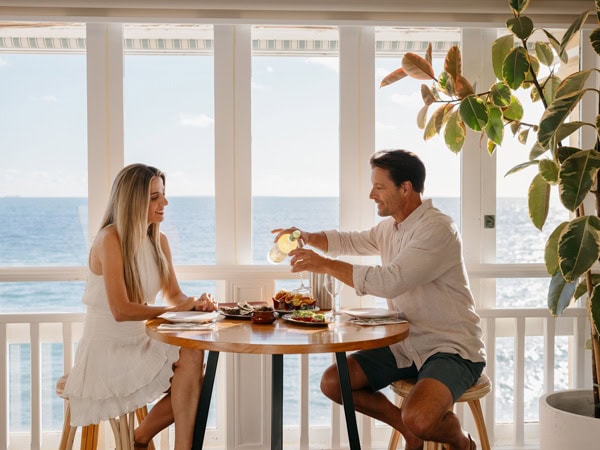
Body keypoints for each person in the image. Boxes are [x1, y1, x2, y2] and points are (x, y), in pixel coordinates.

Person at [273, 149, 486, 450]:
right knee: (334, 383)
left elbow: (390, 281)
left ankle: (461, 442)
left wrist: (324, 265)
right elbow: (348, 241)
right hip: (406, 343)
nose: (371, 194)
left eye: (379, 186)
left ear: (405, 188)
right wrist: (306, 236)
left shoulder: (438, 229)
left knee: (422, 418)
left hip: (450, 347)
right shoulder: (391, 228)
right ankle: (406, 428)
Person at [62, 163, 217, 450]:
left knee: (196, 365)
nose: (165, 202)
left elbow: (175, 296)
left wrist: (196, 304)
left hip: (140, 342)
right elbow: (121, 311)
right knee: (193, 374)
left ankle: (145, 439)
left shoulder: (159, 241)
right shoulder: (110, 239)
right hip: (106, 353)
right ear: (133, 201)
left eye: (163, 194)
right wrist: (168, 313)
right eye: (155, 197)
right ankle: (144, 439)